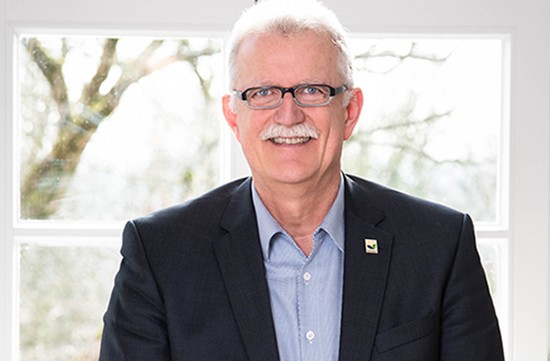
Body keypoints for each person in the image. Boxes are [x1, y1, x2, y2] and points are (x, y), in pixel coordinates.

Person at [99, 0, 505, 360]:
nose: (288, 115)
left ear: (349, 111)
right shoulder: (160, 255)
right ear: (232, 116)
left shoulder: (439, 246)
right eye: (262, 92)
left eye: (312, 90)